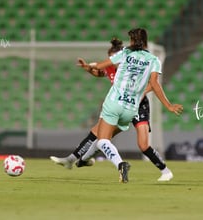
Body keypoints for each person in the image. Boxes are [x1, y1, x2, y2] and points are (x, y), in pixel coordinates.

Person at [51, 37, 175, 182]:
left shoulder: (134, 66)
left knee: (142, 145)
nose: (111, 60)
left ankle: (165, 171)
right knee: (99, 135)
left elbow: (151, 83)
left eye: (113, 58)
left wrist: (140, 94)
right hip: (121, 104)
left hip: (139, 105)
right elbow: (100, 73)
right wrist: (88, 69)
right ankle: (73, 160)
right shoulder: (111, 67)